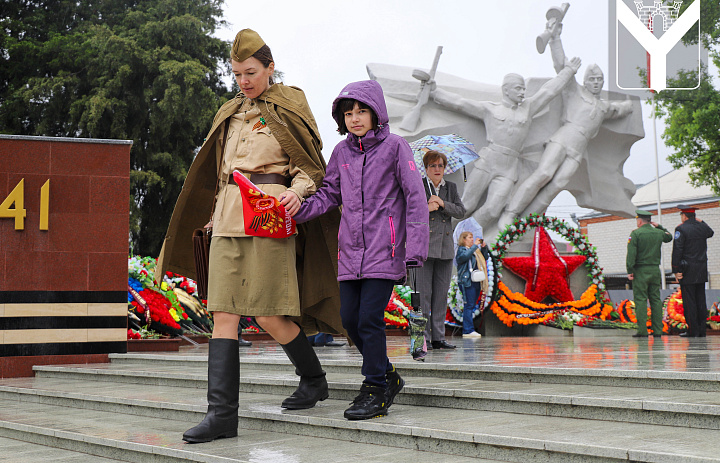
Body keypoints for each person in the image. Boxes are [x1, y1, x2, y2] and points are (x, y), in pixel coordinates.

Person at [154, 29, 343, 444]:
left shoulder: (290, 104)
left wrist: (296, 194)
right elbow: (218, 171)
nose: (244, 81)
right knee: (224, 313)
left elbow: (312, 169)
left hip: (268, 215)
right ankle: (222, 416)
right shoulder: (230, 110)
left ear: (270, 67)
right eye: (237, 73)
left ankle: (313, 380)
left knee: (268, 314)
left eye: (251, 72)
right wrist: (210, 215)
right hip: (226, 216)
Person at [292, 79, 429, 420]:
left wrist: (415, 247)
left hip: (386, 249)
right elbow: (328, 195)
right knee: (350, 321)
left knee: (369, 319)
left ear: (376, 113)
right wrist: (295, 210)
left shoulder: (396, 147)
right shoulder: (342, 153)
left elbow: (415, 198)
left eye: (361, 111)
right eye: (349, 113)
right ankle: (389, 375)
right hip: (349, 253)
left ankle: (375, 390)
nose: (354, 118)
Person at [499, 21, 634, 226]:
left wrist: (637, 98)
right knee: (543, 174)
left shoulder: (604, 107)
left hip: (577, 149)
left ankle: (526, 220)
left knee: (558, 183)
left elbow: (623, 108)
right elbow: (562, 67)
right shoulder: (575, 92)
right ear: (586, 80)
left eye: (600, 79)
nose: (596, 82)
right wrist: (555, 39)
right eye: (593, 79)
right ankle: (510, 213)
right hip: (563, 138)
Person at [432, 58, 581, 231]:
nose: (522, 92)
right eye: (518, 88)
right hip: (488, 161)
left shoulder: (528, 108)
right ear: (506, 90)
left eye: (523, 88)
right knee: (466, 204)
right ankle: (440, 232)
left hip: (509, 168)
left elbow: (549, 91)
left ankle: (465, 235)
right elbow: (460, 103)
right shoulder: (490, 109)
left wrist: (568, 71)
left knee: (494, 210)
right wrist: (435, 93)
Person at [415, 150, 466, 350]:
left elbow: (461, 211)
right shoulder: (418, 185)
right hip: (423, 248)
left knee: (440, 296)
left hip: (445, 250)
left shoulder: (450, 188)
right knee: (421, 296)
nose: (437, 169)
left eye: (440, 165)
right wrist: (425, 207)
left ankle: (438, 337)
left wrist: (442, 203)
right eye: (433, 165)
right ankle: (421, 340)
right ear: (426, 168)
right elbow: (406, 209)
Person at [626, 210, 673, 338]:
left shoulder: (636, 234)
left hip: (640, 271)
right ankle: (657, 331)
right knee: (655, 300)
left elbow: (631, 254)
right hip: (654, 270)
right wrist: (660, 227)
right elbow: (669, 237)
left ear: (640, 221)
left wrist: (630, 270)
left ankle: (642, 331)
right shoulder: (658, 233)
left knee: (640, 300)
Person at [671, 205, 714, 338]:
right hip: (701, 269)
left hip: (687, 270)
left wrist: (676, 270)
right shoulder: (702, 228)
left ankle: (693, 330)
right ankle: (702, 330)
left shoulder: (681, 229)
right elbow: (711, 232)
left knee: (689, 301)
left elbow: (677, 250)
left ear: (684, 216)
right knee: (700, 300)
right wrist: (701, 222)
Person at [455, 232, 488, 338]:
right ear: (463, 240)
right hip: (467, 281)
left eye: (472, 237)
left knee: (471, 305)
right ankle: (467, 330)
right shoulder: (461, 249)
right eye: (469, 237)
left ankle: (469, 329)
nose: (472, 239)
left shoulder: (475, 250)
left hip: (475, 280)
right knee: (468, 305)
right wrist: (474, 246)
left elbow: (485, 257)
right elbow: (464, 257)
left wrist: (484, 248)